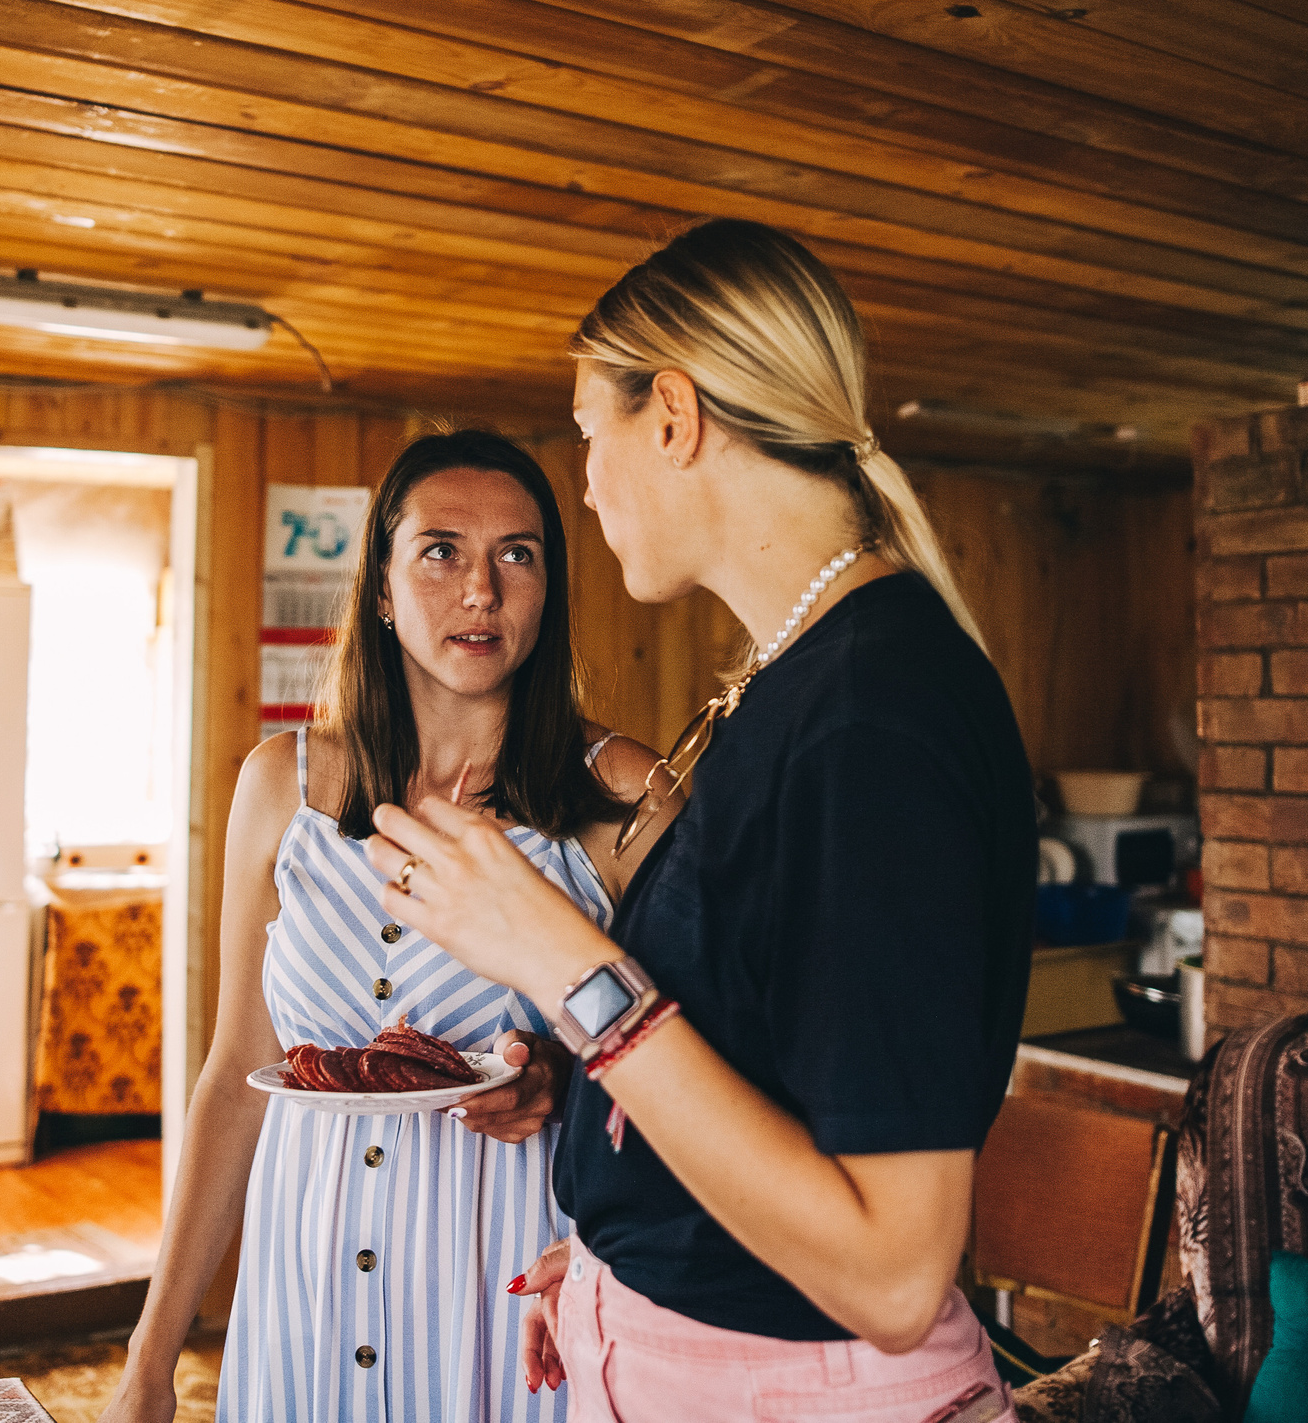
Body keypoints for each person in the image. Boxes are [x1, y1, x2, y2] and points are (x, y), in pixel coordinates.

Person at [361, 221, 1034, 1422]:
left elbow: (890, 1270)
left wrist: (562, 960)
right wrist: (641, 1262)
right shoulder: (798, 683)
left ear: (671, 416)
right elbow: (768, 1070)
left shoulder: (870, 720)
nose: (584, 482)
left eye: (587, 435)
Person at [102, 430, 678, 1422]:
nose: (481, 591)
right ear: (379, 585)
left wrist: (563, 1079)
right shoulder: (277, 786)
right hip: (301, 1305)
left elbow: (703, 1073)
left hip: (507, 1317)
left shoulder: (624, 797)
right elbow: (236, 1078)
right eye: (441, 550)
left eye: (518, 554)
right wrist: (149, 1360)